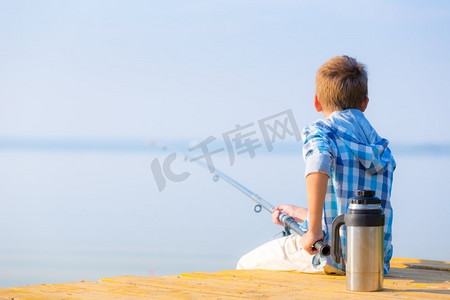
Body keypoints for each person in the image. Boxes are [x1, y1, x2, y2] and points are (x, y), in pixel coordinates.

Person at [236, 55, 396, 274]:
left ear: (316, 101)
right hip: (373, 262)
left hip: (332, 256)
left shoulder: (322, 132)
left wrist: (312, 231)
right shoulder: (382, 150)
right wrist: (297, 212)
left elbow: (318, 162)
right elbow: (350, 210)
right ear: (365, 103)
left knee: (245, 264)